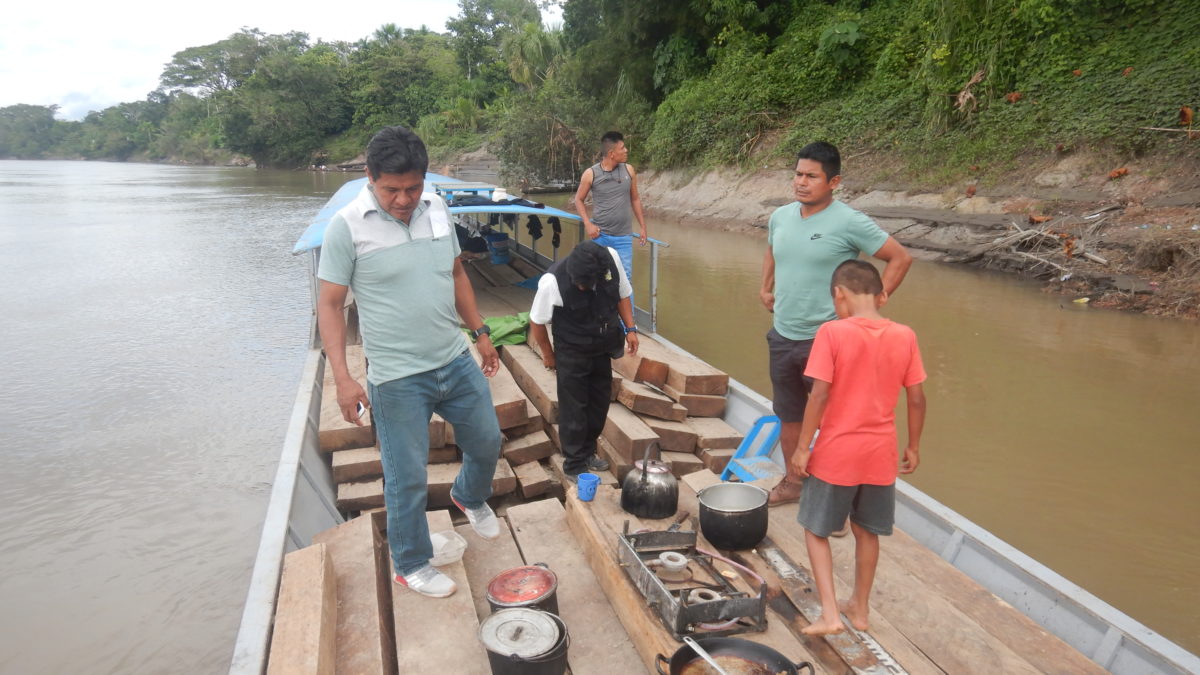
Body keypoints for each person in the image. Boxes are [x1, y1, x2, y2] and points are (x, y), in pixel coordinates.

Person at [316, 125, 503, 599]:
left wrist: (480, 332)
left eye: (413, 187)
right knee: (407, 478)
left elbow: (457, 272)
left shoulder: (438, 207)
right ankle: (410, 560)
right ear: (370, 177)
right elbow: (331, 305)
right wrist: (343, 378)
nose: (404, 199)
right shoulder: (347, 226)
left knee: (486, 440)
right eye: (392, 189)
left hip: (454, 358)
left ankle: (469, 495)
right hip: (398, 377)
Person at [760, 141, 913, 506]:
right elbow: (772, 249)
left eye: (812, 176)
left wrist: (871, 306)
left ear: (834, 182)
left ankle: (836, 502)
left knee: (836, 422)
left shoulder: (849, 221)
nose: (801, 182)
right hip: (783, 333)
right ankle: (794, 483)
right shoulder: (781, 216)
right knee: (789, 413)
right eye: (798, 174)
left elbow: (900, 258)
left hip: (829, 338)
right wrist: (765, 288)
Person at [791, 259, 927, 636]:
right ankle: (860, 610)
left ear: (840, 293)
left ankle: (831, 614)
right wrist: (914, 446)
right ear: (878, 294)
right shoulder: (905, 335)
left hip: (838, 452)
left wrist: (803, 448)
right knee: (867, 531)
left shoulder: (832, 333)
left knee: (815, 530)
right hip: (881, 453)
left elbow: (819, 394)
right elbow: (916, 398)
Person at [527, 240, 639, 482]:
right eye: (580, 285)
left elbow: (622, 294)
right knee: (574, 407)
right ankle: (574, 463)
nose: (583, 288)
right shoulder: (552, 281)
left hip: (602, 344)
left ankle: (588, 452)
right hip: (571, 350)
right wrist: (549, 355)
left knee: (599, 403)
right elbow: (536, 321)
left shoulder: (610, 258)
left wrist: (630, 328)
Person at [573, 131, 649, 305]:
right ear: (611, 153)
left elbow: (635, 198)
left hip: (623, 237)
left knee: (625, 280)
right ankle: (599, 318)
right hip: (600, 236)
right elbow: (578, 199)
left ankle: (629, 326)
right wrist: (588, 224)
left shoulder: (629, 170)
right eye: (622, 148)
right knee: (597, 277)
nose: (626, 150)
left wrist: (643, 227)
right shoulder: (591, 174)